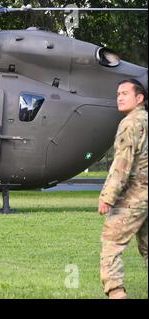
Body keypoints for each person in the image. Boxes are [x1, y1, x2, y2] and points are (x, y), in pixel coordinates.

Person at [98, 79, 148, 299]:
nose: (119, 97)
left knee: (111, 243)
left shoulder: (130, 123)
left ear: (140, 98)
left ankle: (116, 292)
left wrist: (108, 196)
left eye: (125, 93)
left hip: (133, 196)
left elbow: (122, 164)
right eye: (118, 93)